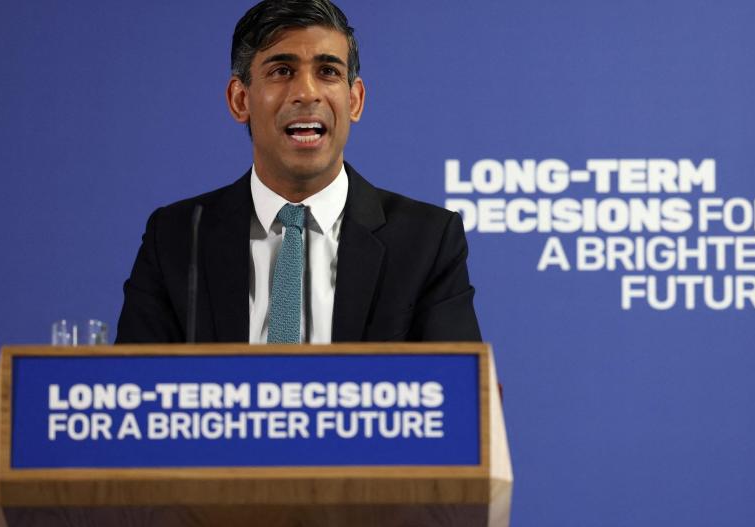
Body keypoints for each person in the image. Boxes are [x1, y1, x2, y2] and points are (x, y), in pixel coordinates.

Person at [116, 0, 481, 346]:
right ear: (239, 100)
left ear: (354, 100)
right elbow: (133, 391)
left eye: (328, 72)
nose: (307, 93)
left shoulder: (426, 241)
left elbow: (456, 396)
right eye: (281, 71)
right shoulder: (178, 238)